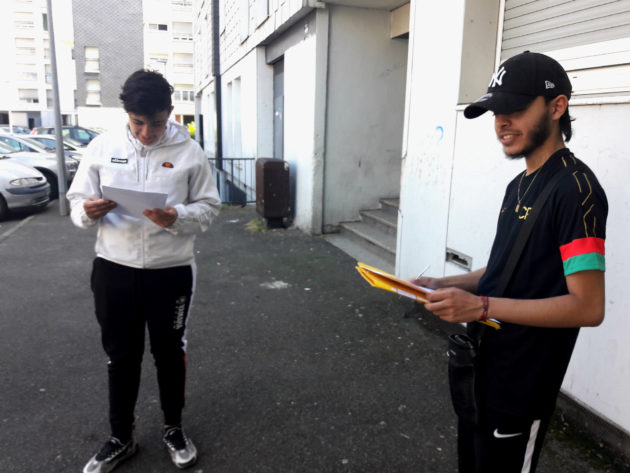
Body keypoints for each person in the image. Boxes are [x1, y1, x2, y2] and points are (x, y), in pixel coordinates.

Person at [414, 51, 608, 473]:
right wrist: (446, 284)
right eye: (496, 111)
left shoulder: (576, 191)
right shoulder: (519, 185)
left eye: (515, 109)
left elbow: (588, 307)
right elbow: (503, 270)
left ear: (557, 107)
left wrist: (481, 307)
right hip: (482, 369)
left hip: (522, 387)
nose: (502, 122)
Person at [67, 69, 221, 473]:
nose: (147, 133)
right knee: (121, 356)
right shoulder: (102, 146)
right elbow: (76, 202)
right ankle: (121, 436)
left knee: (169, 353)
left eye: (156, 122)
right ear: (126, 114)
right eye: (138, 123)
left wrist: (178, 217)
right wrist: (86, 211)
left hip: (170, 272)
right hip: (113, 269)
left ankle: (174, 428)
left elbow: (210, 208)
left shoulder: (190, 152)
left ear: (170, 112)